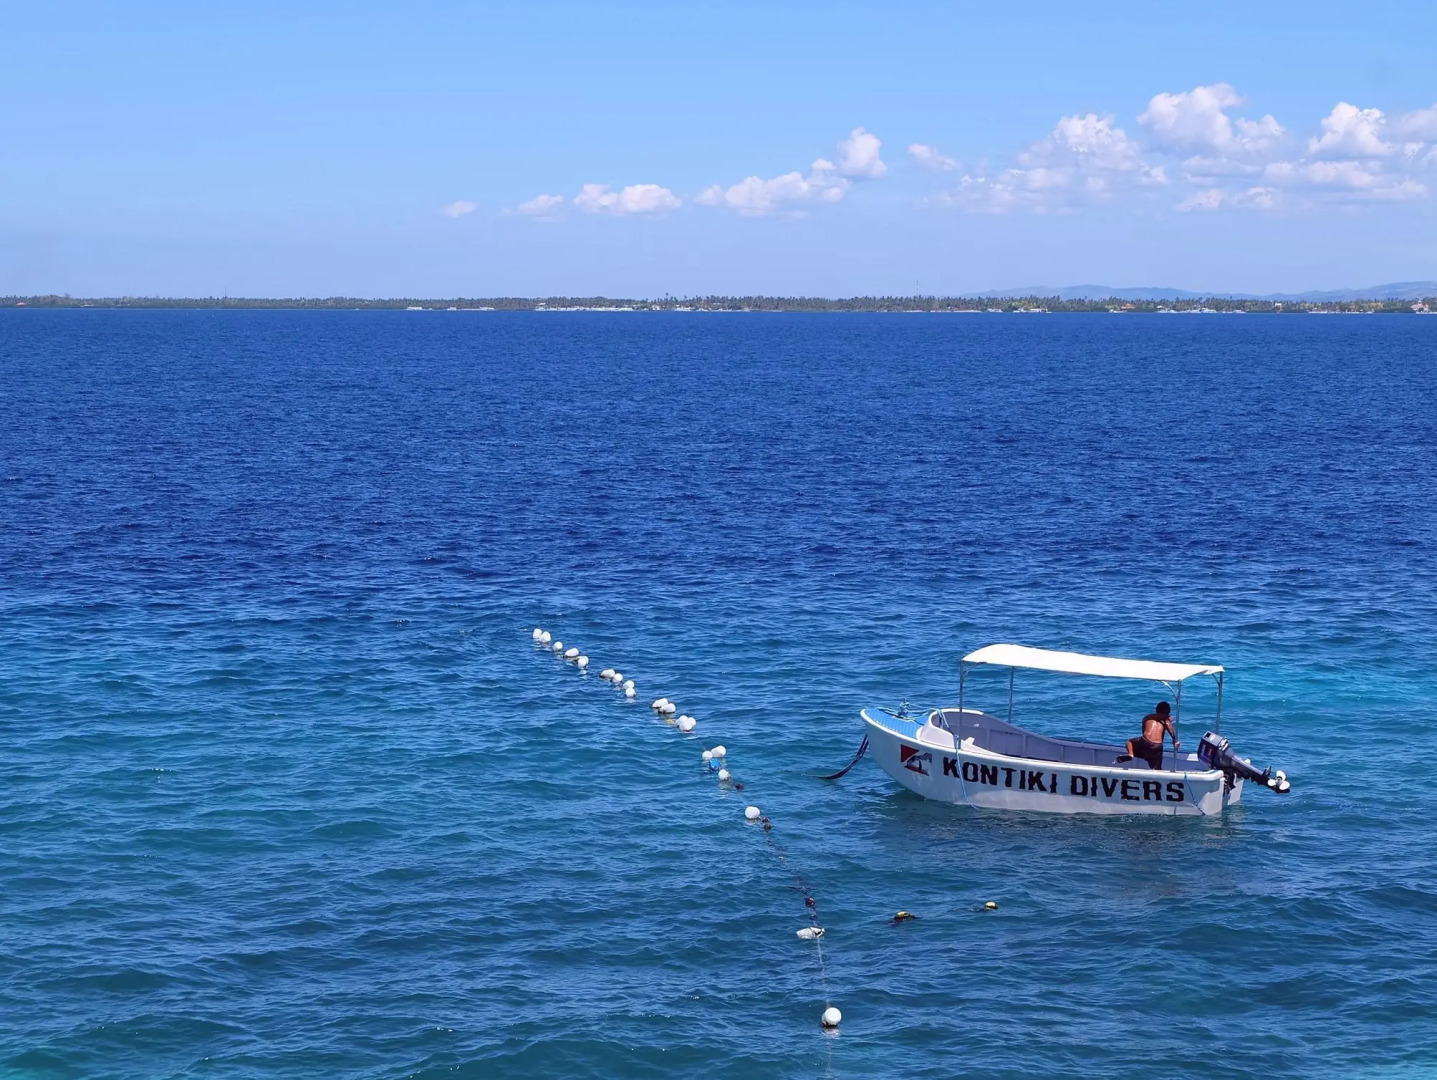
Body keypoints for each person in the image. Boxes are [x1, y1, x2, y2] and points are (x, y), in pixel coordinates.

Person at [1116, 701, 1179, 770]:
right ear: (1168, 712)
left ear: (1156, 710)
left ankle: (1131, 754)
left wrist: (1167, 718)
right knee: (1157, 768)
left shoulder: (1147, 718)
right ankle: (1156, 775)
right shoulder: (1165, 721)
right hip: (1157, 747)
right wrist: (1174, 739)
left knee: (1129, 742)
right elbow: (1167, 724)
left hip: (1145, 741)